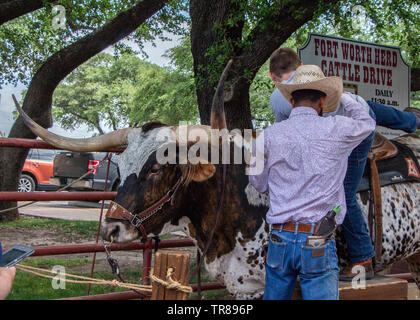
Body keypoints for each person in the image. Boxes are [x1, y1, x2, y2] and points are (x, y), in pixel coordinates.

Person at [268, 47, 420, 280]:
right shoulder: (313, 91)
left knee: (343, 192)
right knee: (369, 107)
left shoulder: (277, 100)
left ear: (273, 77)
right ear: (300, 68)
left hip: (350, 127)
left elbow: (289, 137)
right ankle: (412, 120)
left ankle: (363, 257)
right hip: (355, 111)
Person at [249, 64, 375, 299]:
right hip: (318, 239)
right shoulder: (338, 128)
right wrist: (345, 97)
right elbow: (367, 123)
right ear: (322, 102)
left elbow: (255, 178)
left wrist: (270, 186)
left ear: (292, 102)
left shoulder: (268, 135)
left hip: (279, 239)